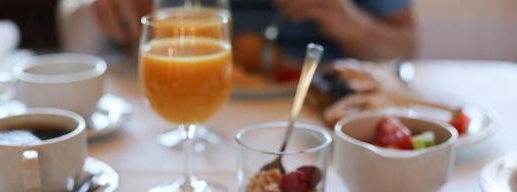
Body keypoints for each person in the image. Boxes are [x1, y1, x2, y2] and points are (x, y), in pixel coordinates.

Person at [59, 0, 415, 61]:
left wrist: (351, 24)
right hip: (171, 106)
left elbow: (407, 44)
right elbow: (76, 29)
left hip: (308, 107)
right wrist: (102, 12)